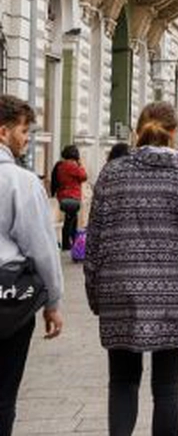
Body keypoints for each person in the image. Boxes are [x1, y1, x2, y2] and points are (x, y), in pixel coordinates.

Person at [84, 102, 178, 436]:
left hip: (119, 293)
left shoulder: (112, 174)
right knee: (167, 390)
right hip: (173, 298)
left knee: (121, 382)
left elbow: (94, 242)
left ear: (138, 131)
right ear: (175, 133)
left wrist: (96, 295)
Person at [0, 95, 64, 436]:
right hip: (7, 299)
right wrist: (53, 302)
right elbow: (42, 248)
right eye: (24, 131)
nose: (27, 138)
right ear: (3, 132)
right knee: (3, 391)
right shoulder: (20, 182)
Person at [53, 145, 87, 252]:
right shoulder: (72, 166)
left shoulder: (60, 165)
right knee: (70, 220)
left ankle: (71, 242)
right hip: (72, 197)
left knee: (72, 218)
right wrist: (80, 165)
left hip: (62, 197)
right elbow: (84, 176)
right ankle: (67, 243)